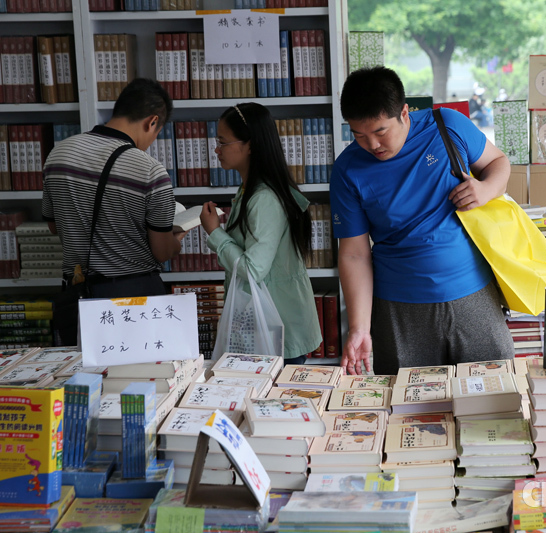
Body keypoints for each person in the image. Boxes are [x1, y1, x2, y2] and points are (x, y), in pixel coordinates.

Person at [331, 66, 515, 376]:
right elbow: (354, 253)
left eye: (379, 131)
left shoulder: (447, 126)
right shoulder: (347, 170)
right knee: (412, 409)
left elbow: (498, 162)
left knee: (494, 397)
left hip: (473, 294)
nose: (372, 145)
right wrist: (359, 328)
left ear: (404, 112)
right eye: (358, 135)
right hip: (398, 308)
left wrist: (486, 189)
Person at [42, 78, 183, 345]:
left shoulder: (58, 154)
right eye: (157, 132)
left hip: (78, 297)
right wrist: (175, 242)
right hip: (136, 301)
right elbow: (161, 252)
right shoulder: (150, 171)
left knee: (86, 382)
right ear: (152, 122)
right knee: (141, 381)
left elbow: (54, 226)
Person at [199, 103, 321, 364]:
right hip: (265, 323)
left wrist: (215, 233)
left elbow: (254, 269)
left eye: (223, 142)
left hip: (277, 326)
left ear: (250, 144)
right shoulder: (249, 190)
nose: (216, 149)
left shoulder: (264, 197)